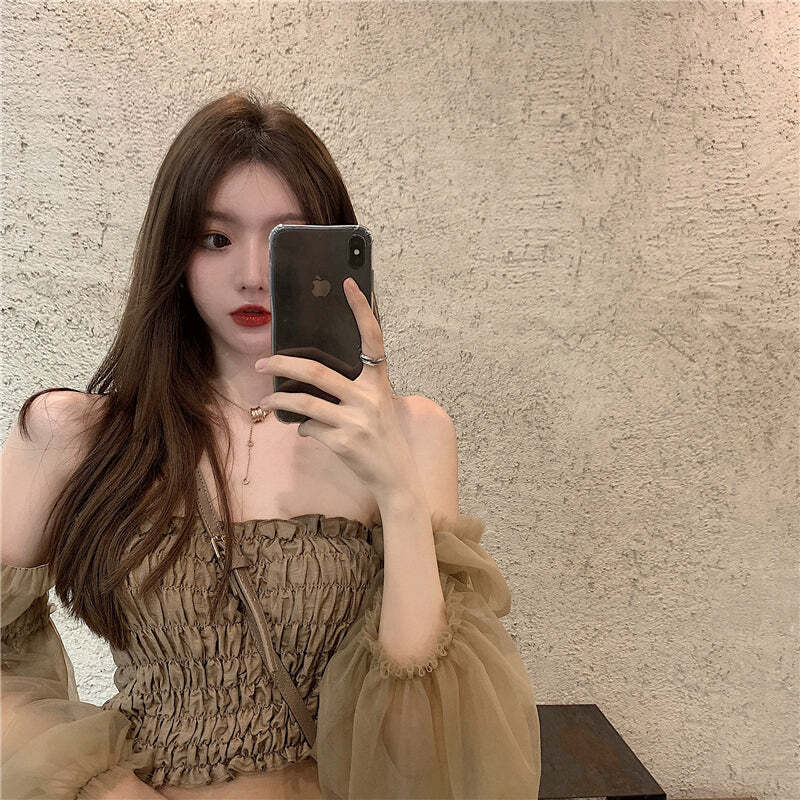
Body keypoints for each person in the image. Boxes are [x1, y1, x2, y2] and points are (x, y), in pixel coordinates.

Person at [0, 89, 542, 799]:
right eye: (215, 239)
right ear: (173, 253)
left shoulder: (414, 434)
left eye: (285, 239)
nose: (253, 274)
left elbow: (420, 743)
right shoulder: (76, 435)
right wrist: (107, 790)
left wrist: (399, 495)